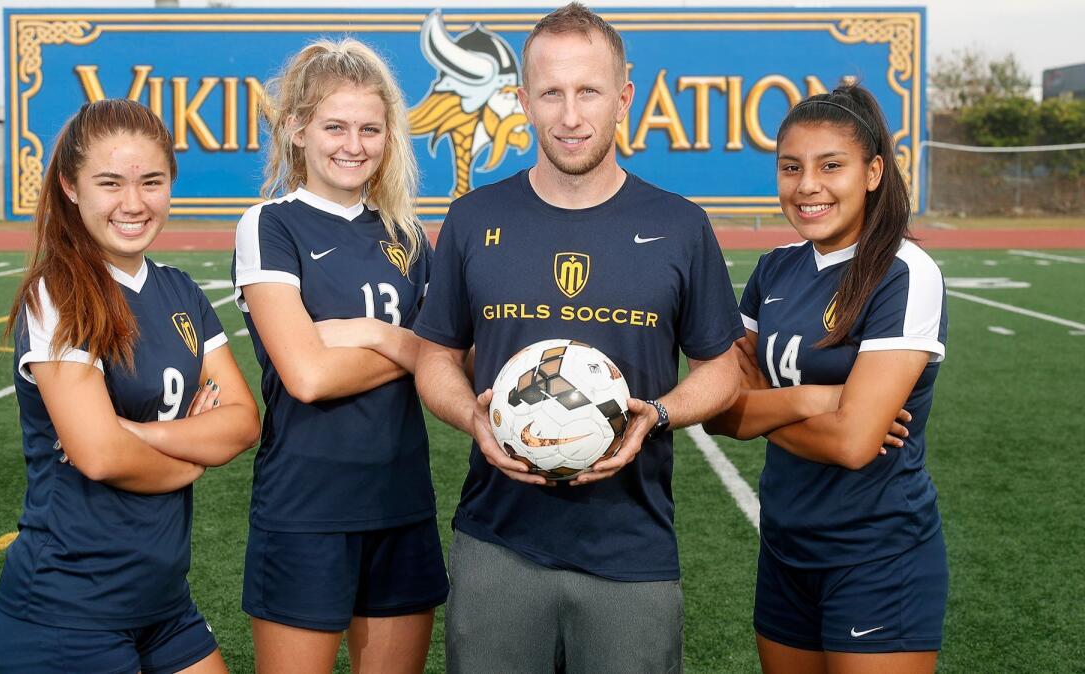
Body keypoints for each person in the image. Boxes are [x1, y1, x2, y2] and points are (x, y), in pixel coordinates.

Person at [413, 3, 744, 672]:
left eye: (589, 90)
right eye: (551, 92)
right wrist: (468, 416)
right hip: (496, 543)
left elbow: (723, 368)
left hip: (633, 549)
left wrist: (657, 414)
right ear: (523, 100)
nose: (570, 115)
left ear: (624, 96)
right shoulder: (474, 219)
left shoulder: (680, 226)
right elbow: (435, 358)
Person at [0, 98, 261, 673]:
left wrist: (138, 431)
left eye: (152, 182)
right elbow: (99, 456)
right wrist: (190, 455)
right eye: (110, 183)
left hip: (163, 601)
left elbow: (241, 421)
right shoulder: (58, 293)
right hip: (68, 608)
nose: (133, 204)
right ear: (70, 185)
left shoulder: (181, 291)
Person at [703, 82, 949, 673]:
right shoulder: (774, 267)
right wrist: (816, 398)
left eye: (830, 166)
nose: (807, 185)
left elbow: (852, 443)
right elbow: (717, 410)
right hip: (786, 548)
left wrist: (762, 404)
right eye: (791, 168)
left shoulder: (903, 272)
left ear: (872, 173)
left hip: (877, 554)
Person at [231, 39, 446, 674]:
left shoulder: (409, 236)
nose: (353, 144)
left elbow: (446, 363)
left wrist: (375, 334)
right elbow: (308, 376)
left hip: (401, 501)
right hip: (306, 507)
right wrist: (408, 345)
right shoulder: (270, 224)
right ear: (296, 128)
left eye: (369, 129)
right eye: (334, 126)